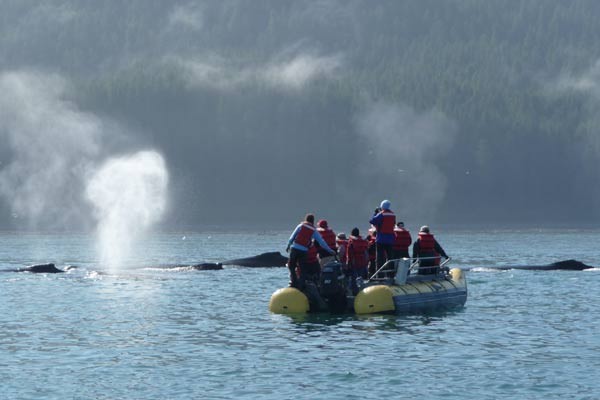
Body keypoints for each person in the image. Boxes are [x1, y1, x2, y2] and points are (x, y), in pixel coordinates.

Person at [286, 214, 335, 288]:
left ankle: (294, 282)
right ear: (313, 221)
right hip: (303, 251)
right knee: (303, 269)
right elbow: (321, 242)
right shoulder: (313, 230)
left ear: (306, 219)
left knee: (291, 266)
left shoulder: (300, 226)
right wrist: (330, 250)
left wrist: (288, 246)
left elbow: (292, 237)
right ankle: (302, 285)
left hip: (295, 249)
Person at [369, 200, 396, 275]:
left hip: (381, 239)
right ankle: (391, 274)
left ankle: (379, 275)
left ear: (382, 206)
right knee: (390, 258)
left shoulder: (381, 214)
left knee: (380, 259)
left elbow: (372, 221)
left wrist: (375, 213)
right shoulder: (393, 214)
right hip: (390, 239)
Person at [346, 228, 369, 294]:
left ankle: (355, 293)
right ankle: (362, 292)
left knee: (354, 279)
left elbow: (349, 253)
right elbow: (366, 252)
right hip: (363, 262)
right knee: (361, 278)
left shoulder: (351, 242)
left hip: (354, 263)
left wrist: (348, 263)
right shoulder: (364, 241)